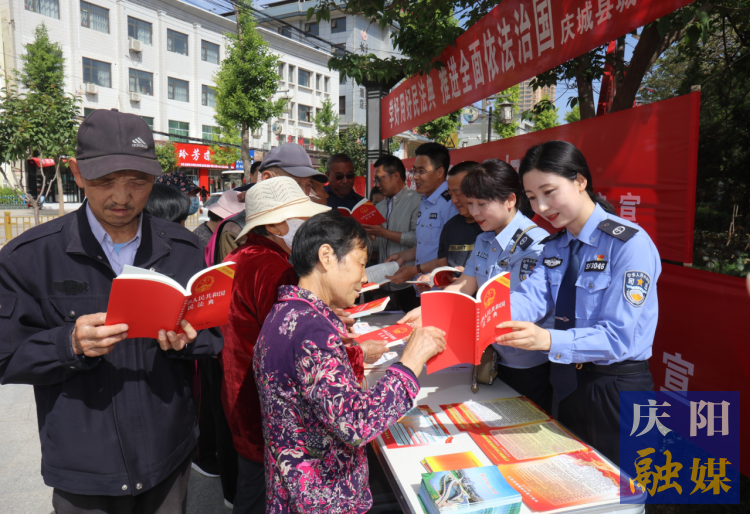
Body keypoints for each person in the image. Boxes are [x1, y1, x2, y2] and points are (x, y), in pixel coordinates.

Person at [0, 109, 223, 513]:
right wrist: (68, 345)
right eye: (105, 182)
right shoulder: (30, 257)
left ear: (154, 179)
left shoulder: (184, 249)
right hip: (84, 469)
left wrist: (188, 340)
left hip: (166, 457)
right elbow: (5, 355)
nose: (122, 197)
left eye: (137, 182)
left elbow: (214, 336)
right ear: (77, 172)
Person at [253, 211, 447, 513]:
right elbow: (356, 424)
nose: (365, 276)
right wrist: (408, 364)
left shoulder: (287, 313)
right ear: (327, 256)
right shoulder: (312, 330)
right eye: (361, 262)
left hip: (292, 489)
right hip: (322, 496)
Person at [221, 178, 387, 514]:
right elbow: (298, 340)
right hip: (272, 407)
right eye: (300, 217)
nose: (307, 226)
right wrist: (356, 351)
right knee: (262, 491)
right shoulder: (272, 267)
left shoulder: (242, 256)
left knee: (254, 487)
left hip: (242, 393)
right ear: (275, 224)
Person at [495, 140, 660, 466]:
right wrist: (476, 316)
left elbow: (617, 337)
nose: (541, 207)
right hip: (567, 381)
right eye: (531, 197)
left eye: (549, 191)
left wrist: (548, 339)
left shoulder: (628, 244)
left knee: (622, 492)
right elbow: (529, 299)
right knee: (572, 476)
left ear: (580, 181)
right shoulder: (556, 246)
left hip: (617, 388)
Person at [210, 145, 326, 265]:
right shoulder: (235, 230)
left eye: (308, 184)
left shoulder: (311, 224)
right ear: (267, 178)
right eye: (294, 183)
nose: (302, 192)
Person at [385, 143, 459, 288]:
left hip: (442, 286)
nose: (415, 177)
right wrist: (403, 256)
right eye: (414, 171)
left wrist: (416, 269)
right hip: (423, 286)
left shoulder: (451, 202)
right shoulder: (425, 200)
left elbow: (452, 254)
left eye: (421, 171)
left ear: (439, 172)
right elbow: (425, 245)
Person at [362, 155, 422, 311]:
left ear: (396, 176)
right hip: (383, 282)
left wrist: (384, 232)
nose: (377, 185)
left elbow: (418, 240)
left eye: (380, 179)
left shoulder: (417, 200)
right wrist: (371, 236)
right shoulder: (380, 205)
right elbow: (378, 244)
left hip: (408, 282)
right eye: (376, 181)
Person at [408, 161, 483, 279]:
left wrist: (470, 279)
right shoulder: (450, 227)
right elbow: (442, 267)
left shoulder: (492, 228)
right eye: (451, 193)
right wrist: (432, 280)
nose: (453, 200)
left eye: (458, 193)